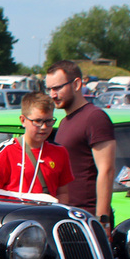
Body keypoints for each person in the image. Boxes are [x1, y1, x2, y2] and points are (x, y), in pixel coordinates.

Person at [46, 60, 117, 228]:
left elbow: (106, 171)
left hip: (88, 218)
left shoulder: (95, 117)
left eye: (57, 88)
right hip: (68, 216)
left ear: (77, 84)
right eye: (49, 89)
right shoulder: (64, 122)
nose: (52, 95)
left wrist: (103, 221)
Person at [0, 92, 72, 203]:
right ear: (23, 120)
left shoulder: (60, 152)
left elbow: (62, 192)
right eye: (38, 121)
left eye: (49, 121)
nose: (44, 127)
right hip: (14, 216)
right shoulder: (6, 151)